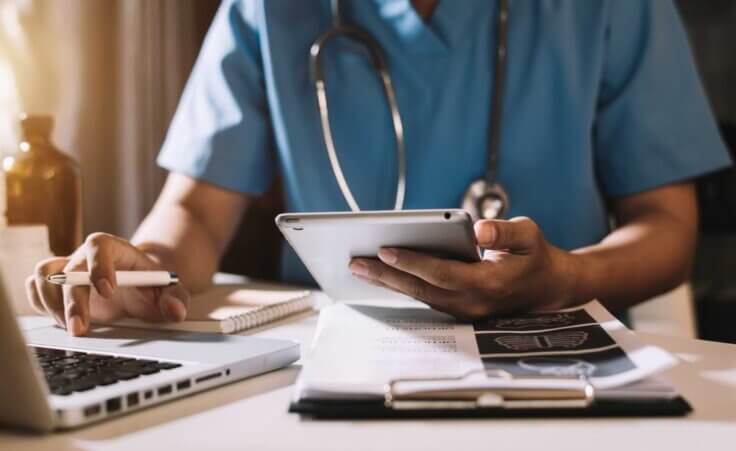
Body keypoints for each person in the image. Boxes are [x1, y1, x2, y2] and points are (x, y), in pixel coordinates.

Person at [26, 0, 731, 336]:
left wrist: (567, 278)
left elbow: (668, 226)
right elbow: (193, 215)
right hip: (329, 353)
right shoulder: (268, 10)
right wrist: (139, 269)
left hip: (550, 345)